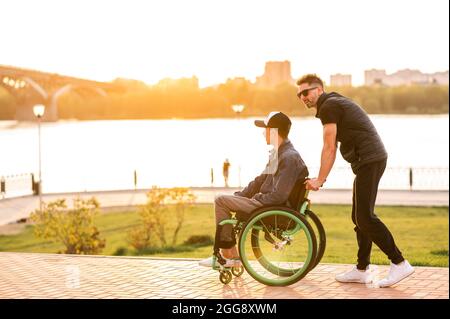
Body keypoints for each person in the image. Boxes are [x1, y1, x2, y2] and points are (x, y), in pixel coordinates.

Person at [296, 74, 414, 287]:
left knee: (365, 217)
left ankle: (399, 262)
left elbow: (329, 146)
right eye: (299, 95)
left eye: (305, 92)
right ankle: (362, 269)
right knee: (359, 217)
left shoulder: (328, 107)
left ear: (318, 89)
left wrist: (320, 179)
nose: (302, 97)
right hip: (369, 160)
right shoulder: (333, 102)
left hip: (370, 159)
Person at [199, 111, 308, 267]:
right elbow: (260, 180)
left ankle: (228, 255)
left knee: (220, 201)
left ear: (274, 131)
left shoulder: (288, 157)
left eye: (266, 129)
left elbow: (279, 195)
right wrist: (240, 195)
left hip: (273, 208)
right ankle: (230, 255)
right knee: (227, 200)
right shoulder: (280, 153)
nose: (263, 133)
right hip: (269, 204)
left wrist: (254, 199)